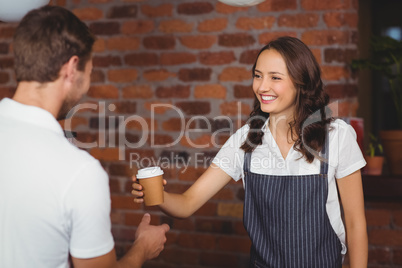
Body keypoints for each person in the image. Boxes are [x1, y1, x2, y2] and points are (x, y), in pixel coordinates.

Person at [133, 36, 368, 267]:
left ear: (301, 83)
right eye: (257, 75)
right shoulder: (246, 140)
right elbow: (187, 203)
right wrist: (156, 195)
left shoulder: (336, 136)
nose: (262, 87)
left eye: (275, 77)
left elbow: (355, 223)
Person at [0, 5, 169, 268]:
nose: (87, 86)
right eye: (89, 72)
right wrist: (143, 248)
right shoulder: (80, 172)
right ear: (72, 68)